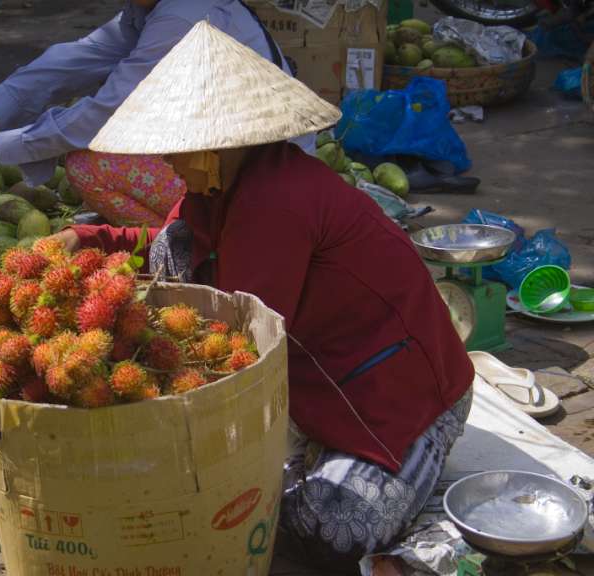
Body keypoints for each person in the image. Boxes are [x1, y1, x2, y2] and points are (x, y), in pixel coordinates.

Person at [50, 21, 475, 570]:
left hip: (406, 400)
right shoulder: (218, 191)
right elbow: (164, 242)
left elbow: (240, 352)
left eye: (176, 149)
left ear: (215, 145)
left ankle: (435, 495)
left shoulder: (274, 202)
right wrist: (86, 238)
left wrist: (141, 396)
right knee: (172, 252)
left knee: (328, 526)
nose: (166, 163)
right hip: (326, 386)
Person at [0, 0, 316, 228]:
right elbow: (76, 59)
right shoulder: (148, 11)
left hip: (261, 180)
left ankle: (197, 240)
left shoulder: (182, 17)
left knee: (87, 164)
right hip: (230, 154)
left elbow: (102, 115)